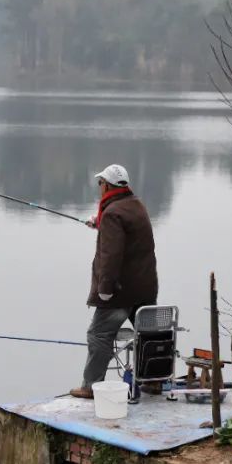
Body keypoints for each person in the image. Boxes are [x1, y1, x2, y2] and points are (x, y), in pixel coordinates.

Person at [69, 164, 158, 399]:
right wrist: (99, 222)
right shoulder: (136, 206)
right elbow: (125, 232)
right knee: (148, 335)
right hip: (145, 289)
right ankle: (154, 381)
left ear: (107, 185)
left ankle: (91, 386)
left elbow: (111, 256)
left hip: (119, 292)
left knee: (98, 335)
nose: (99, 187)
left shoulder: (112, 214)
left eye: (100, 183)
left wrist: (105, 289)